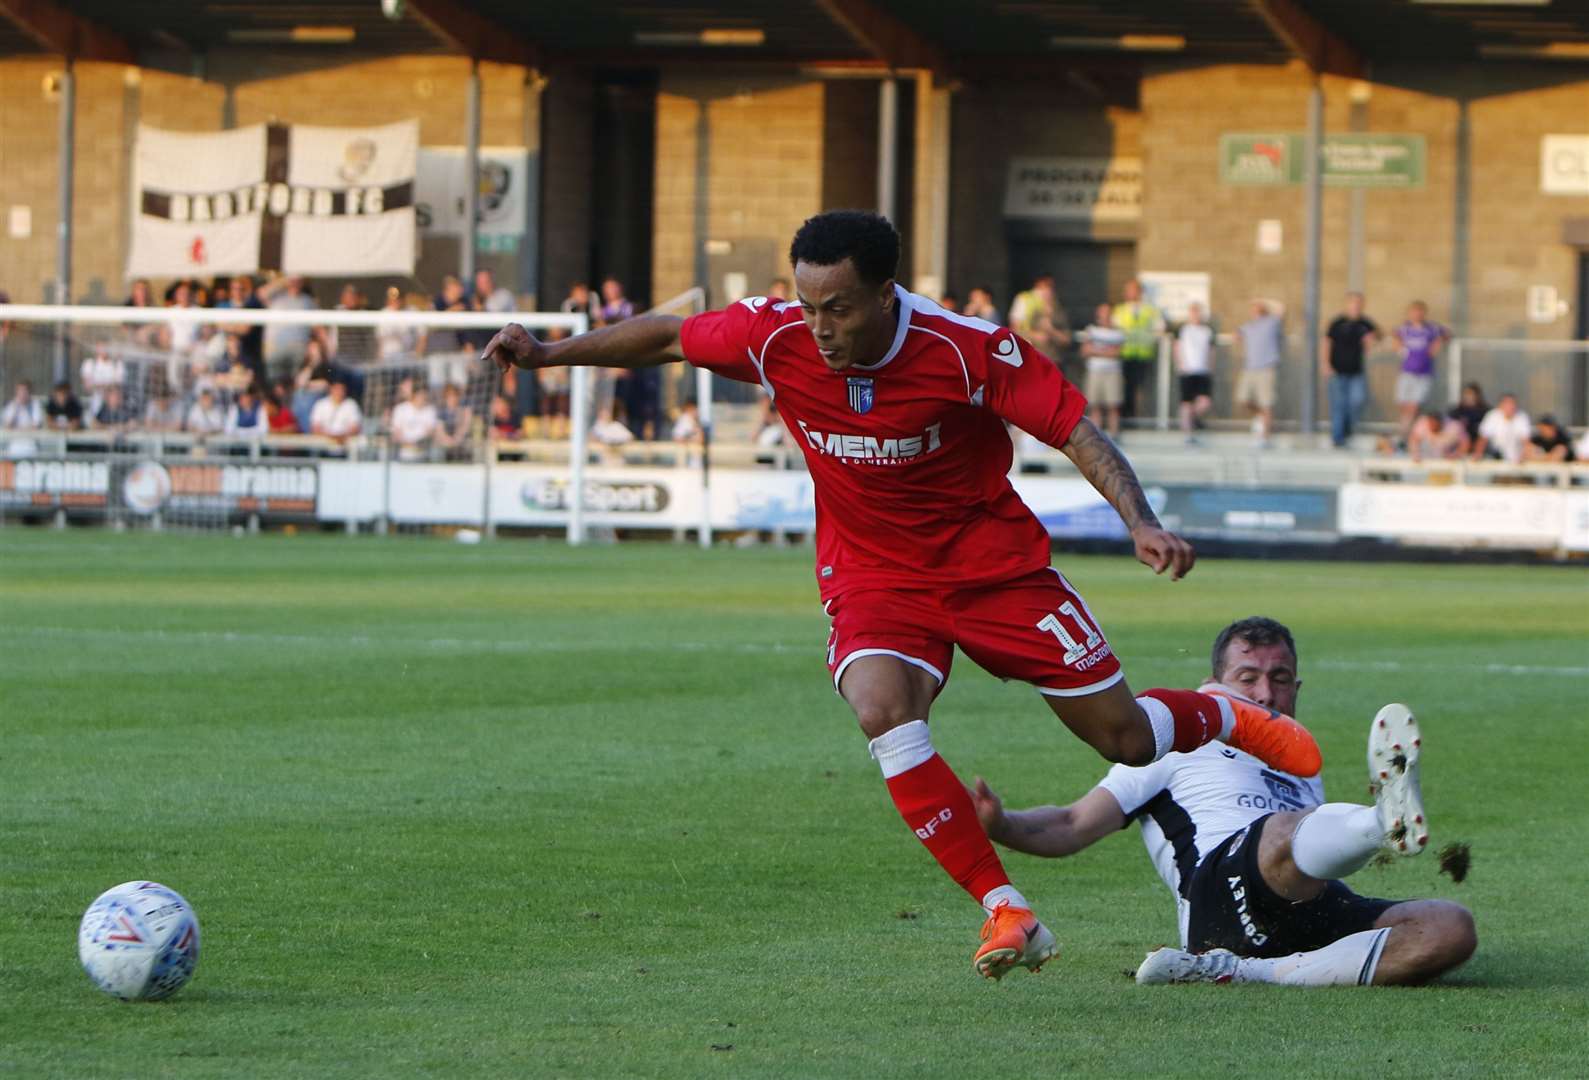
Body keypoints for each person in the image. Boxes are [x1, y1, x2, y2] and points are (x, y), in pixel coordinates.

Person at [481, 209, 1320, 980]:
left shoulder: (964, 349)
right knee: (882, 708)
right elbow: (669, 335)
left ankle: (1225, 713)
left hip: (993, 570)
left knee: (1129, 742)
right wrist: (551, 355)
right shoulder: (775, 338)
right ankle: (1006, 909)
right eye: (808, 305)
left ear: (887, 294)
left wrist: (1138, 520)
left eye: (839, 308)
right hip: (875, 574)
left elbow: (1072, 428)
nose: (820, 326)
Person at [971, 617, 1476, 988]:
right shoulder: (1172, 743)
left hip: (1301, 897)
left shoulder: (1303, 760)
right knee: (1283, 830)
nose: (1265, 694)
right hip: (1218, 896)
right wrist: (1002, 823)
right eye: (1248, 678)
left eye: (1280, 680)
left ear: (1296, 689)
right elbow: (1074, 822)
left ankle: (1254, 973)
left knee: (1449, 928)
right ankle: (1377, 824)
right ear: (1218, 684)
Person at [1323, 292, 1379, 448]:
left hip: (1356, 371)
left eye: (1358, 303)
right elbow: (1327, 343)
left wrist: (1371, 341)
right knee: (1338, 404)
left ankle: (1346, 427)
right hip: (1337, 370)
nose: (1355, 306)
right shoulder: (1337, 323)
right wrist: (1326, 364)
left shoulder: (1365, 324)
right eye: (1352, 303)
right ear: (1347, 304)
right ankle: (1337, 437)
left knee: (1357, 400)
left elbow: (1375, 339)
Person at [1391, 302, 1450, 445]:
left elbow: (1446, 334)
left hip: (1423, 373)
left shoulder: (1431, 329)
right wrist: (1399, 347)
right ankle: (1409, 433)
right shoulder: (1405, 328)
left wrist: (1437, 344)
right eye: (1414, 311)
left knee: (1414, 406)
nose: (1417, 315)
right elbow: (1394, 334)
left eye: (1419, 312)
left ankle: (1404, 437)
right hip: (1406, 372)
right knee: (1404, 406)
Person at [1113, 280, 1163, 422]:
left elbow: (1159, 328)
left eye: (1133, 290)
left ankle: (1140, 418)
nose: (1130, 293)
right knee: (1125, 387)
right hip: (1124, 354)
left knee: (1142, 389)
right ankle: (1127, 416)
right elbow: (1115, 327)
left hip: (1144, 355)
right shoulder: (1120, 310)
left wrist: (1149, 339)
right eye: (1128, 290)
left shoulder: (1149, 310)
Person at [1235, 300, 1283, 448]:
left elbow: (1281, 308)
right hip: (1250, 368)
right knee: (1242, 399)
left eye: (1259, 308)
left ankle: (1264, 438)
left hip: (1266, 369)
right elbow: (1237, 334)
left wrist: (1265, 301)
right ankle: (1260, 416)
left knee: (1266, 403)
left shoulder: (1271, 323)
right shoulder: (1249, 326)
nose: (1256, 311)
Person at [258, 275, 317, 378]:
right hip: (275, 348)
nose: (295, 283)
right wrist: (285, 279)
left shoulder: (308, 301)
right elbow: (261, 294)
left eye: (299, 280)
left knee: (294, 384)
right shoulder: (276, 298)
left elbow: (317, 327)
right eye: (293, 280)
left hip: (298, 348)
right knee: (275, 384)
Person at [1081, 304, 1125, 439]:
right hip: (1095, 371)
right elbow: (1085, 351)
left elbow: (1117, 353)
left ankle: (1114, 435)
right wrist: (1106, 351)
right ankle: (1095, 437)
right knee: (1094, 405)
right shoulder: (1091, 330)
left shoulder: (1118, 332)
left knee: (1113, 404)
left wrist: (1097, 351)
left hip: (1112, 372)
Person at [1008, 274, 1068, 370]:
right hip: (1033, 357)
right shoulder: (1027, 302)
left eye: (1049, 289)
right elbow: (1016, 329)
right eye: (1042, 289)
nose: (1046, 293)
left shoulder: (1059, 313)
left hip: (1054, 360)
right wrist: (1035, 335)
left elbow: (1066, 339)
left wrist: (1052, 331)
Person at [1174, 303, 1215, 444]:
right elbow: (1177, 347)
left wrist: (1210, 367)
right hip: (1188, 370)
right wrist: (1180, 365)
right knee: (1187, 402)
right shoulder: (1183, 329)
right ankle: (1188, 434)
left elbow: (1211, 350)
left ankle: (1190, 420)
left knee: (1204, 402)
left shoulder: (1207, 330)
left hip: (1202, 370)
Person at [1472, 393, 1530, 464]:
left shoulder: (1521, 417)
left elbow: (1525, 442)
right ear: (1500, 405)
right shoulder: (1492, 416)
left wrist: (1523, 457)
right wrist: (1477, 454)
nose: (1510, 407)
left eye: (1512, 404)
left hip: (1516, 458)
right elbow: (1483, 438)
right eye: (1507, 404)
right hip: (1495, 458)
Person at [391, 384, 439, 461]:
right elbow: (396, 433)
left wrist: (418, 444)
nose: (423, 398)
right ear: (414, 395)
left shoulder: (430, 410)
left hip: (423, 453)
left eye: (425, 396)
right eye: (420, 395)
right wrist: (407, 444)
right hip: (403, 453)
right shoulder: (400, 409)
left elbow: (431, 432)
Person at [1446, 383, 1488, 452]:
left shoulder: (1484, 411)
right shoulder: (1457, 411)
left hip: (1478, 445)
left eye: (1471, 394)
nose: (1468, 397)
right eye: (1466, 394)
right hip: (1458, 445)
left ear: (1477, 395)